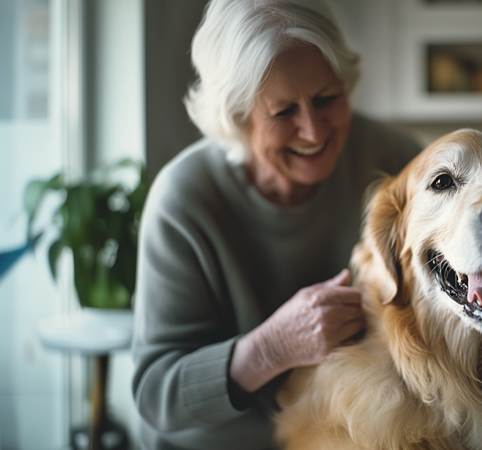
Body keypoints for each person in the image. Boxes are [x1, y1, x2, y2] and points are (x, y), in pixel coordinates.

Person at [130, 0, 422, 448]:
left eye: (327, 98)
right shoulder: (182, 202)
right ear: (237, 117)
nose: (313, 131)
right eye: (284, 111)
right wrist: (270, 348)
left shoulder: (396, 162)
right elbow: (155, 394)